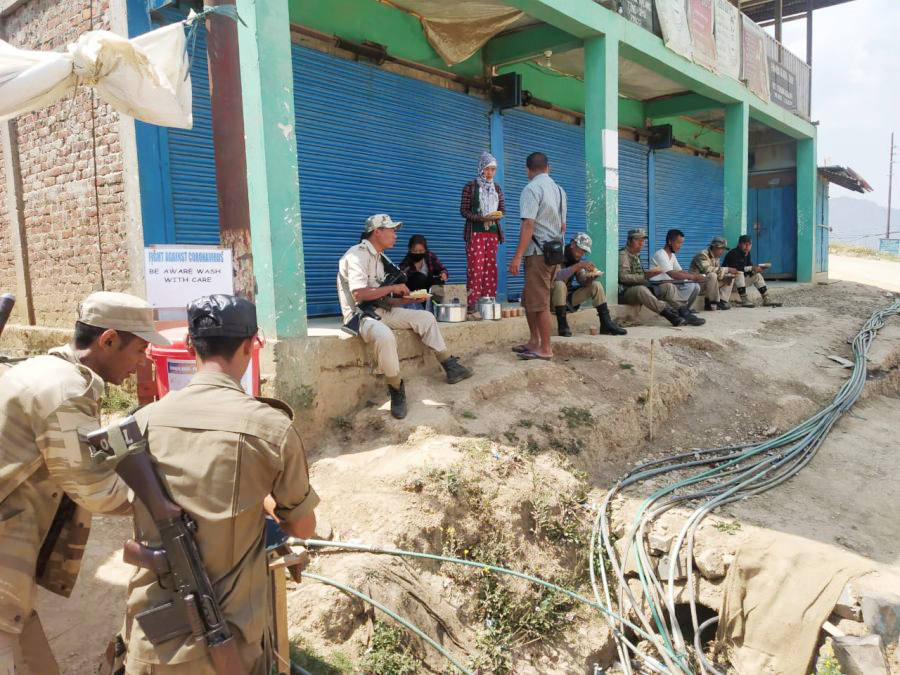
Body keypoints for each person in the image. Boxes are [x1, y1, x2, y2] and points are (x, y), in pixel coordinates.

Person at [120, 295, 318, 675]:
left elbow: (114, 499)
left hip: (151, 639)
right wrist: (267, 504)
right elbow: (303, 528)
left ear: (189, 345)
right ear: (251, 345)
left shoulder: (141, 421)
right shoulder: (271, 428)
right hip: (224, 643)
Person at [0, 291, 170, 674]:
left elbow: (76, 447)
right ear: (108, 340)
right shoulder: (65, 391)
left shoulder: (47, 369)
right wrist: (172, 492)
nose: (143, 361)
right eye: (140, 349)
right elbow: (98, 491)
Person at [338, 214, 473, 419]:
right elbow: (359, 294)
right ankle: (396, 389)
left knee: (426, 318)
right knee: (384, 336)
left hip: (381, 310)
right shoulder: (357, 255)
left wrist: (407, 300)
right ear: (377, 232)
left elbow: (382, 297)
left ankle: (450, 366)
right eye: (391, 230)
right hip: (361, 317)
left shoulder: (380, 258)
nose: (395, 235)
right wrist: (393, 287)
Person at [509, 152, 566, 360]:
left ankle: (546, 348)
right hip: (554, 254)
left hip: (537, 254)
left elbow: (528, 225)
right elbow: (563, 226)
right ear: (548, 167)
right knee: (529, 298)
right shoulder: (560, 191)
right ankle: (534, 341)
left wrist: (517, 256)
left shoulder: (531, 189)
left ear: (528, 169)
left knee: (540, 302)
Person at [618, 228, 704, 327]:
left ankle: (684, 312)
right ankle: (670, 315)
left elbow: (638, 275)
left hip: (643, 285)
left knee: (667, 286)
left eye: (643, 241)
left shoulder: (636, 255)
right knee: (640, 289)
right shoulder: (623, 255)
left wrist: (648, 274)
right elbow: (623, 277)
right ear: (629, 241)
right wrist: (645, 276)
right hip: (627, 291)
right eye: (638, 240)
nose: (641, 243)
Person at [551, 232, 626, 337]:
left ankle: (606, 323)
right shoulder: (558, 254)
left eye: (584, 251)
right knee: (560, 284)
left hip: (567, 300)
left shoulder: (577, 260)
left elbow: (582, 281)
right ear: (572, 244)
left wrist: (590, 278)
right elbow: (556, 277)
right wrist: (578, 266)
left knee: (596, 285)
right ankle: (562, 325)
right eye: (580, 250)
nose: (582, 254)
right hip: (551, 300)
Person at [461, 151, 505, 320]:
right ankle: (472, 307)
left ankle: (487, 304)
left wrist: (497, 215)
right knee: (475, 268)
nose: (490, 173)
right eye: (487, 169)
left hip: (492, 233)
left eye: (493, 170)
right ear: (480, 169)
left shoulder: (497, 188)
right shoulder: (470, 187)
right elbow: (463, 211)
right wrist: (480, 218)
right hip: (476, 233)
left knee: (490, 269)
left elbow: (503, 210)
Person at [649, 228, 706, 323]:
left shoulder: (672, 255)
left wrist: (697, 276)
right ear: (670, 242)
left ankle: (685, 311)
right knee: (670, 287)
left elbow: (680, 271)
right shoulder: (660, 255)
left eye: (681, 243)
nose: (680, 246)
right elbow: (674, 274)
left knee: (695, 286)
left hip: (671, 284)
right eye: (678, 243)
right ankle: (683, 313)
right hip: (658, 286)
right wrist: (694, 277)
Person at [723, 235, 783, 307]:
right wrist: (752, 268)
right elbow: (737, 270)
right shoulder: (733, 253)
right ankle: (744, 300)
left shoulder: (747, 254)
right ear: (739, 244)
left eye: (749, 244)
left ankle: (767, 299)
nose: (747, 246)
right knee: (739, 273)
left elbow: (749, 268)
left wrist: (757, 269)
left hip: (739, 284)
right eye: (745, 244)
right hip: (728, 283)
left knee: (757, 275)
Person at [398, 234, 448, 310]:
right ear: (410, 250)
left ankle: (437, 307)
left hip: (427, 286)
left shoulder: (430, 256)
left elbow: (442, 269)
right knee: (419, 277)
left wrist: (443, 274)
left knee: (439, 282)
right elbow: (400, 279)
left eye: (421, 251)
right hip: (414, 290)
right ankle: (418, 306)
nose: (418, 253)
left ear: (425, 250)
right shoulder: (407, 262)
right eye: (415, 251)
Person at [690, 236, 736, 311]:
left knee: (730, 276)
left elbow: (718, 272)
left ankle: (722, 301)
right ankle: (712, 302)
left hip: (708, 283)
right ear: (714, 247)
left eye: (723, 249)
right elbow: (707, 270)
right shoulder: (702, 255)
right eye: (721, 249)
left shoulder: (716, 257)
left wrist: (725, 275)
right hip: (697, 284)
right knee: (712, 275)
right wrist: (727, 269)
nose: (723, 251)